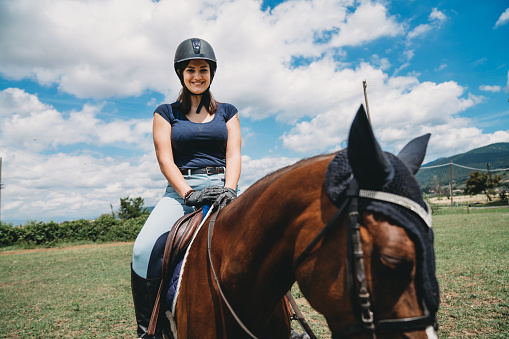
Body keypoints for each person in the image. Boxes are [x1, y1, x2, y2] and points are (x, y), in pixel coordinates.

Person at [130, 38, 241, 339]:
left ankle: (282, 322)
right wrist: (189, 194)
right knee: (142, 250)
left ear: (211, 73)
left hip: (222, 187)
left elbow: (233, 154)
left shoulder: (228, 111)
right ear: (181, 74)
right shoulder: (165, 112)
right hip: (181, 191)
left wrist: (230, 189)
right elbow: (165, 160)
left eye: (203, 69)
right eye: (190, 70)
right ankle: (149, 331)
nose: (197, 76)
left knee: (260, 240)